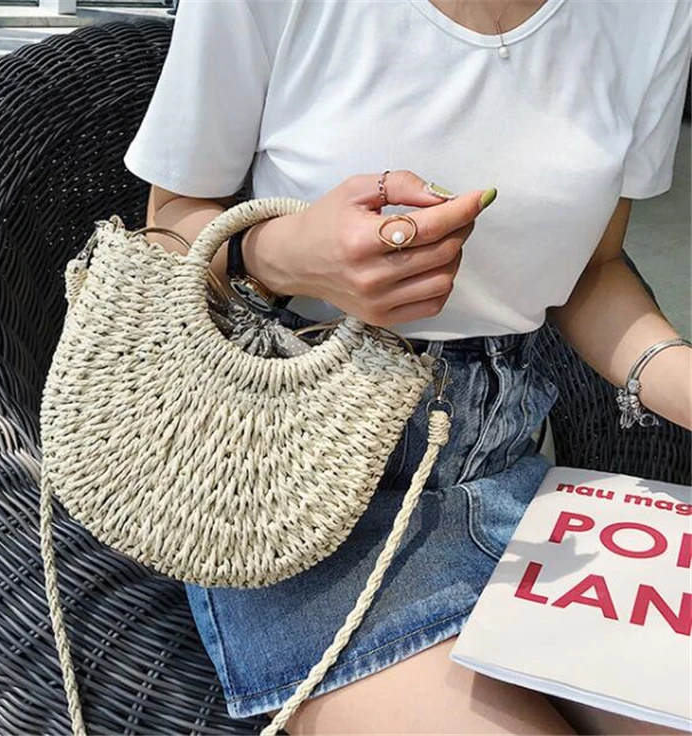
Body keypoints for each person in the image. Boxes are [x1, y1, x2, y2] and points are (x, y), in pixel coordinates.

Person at [122, 1, 692, 733]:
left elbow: (593, 270)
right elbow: (170, 222)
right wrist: (288, 255)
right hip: (293, 488)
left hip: (509, 475)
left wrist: (676, 376)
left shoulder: (653, 14)